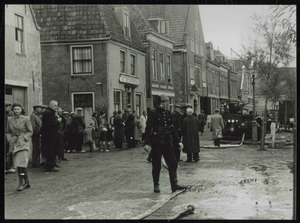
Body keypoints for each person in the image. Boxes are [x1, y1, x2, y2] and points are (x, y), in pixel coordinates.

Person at [144, 94, 187, 193]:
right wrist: (147, 143)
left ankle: (174, 184)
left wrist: (178, 142)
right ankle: (156, 185)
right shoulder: (153, 112)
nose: (165, 104)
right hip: (156, 142)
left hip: (167, 142)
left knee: (173, 163)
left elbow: (172, 129)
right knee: (156, 165)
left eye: (166, 102)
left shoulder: (168, 113)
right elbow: (148, 128)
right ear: (159, 103)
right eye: (163, 102)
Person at [6, 103, 33, 190]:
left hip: (23, 144)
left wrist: (24, 138)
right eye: (15, 109)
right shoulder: (10, 120)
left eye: (18, 109)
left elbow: (30, 131)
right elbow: (7, 131)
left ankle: (21, 183)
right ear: (12, 110)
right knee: (19, 164)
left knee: (22, 164)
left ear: (21, 110)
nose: (17, 111)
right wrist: (10, 139)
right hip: (14, 143)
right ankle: (27, 181)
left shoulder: (26, 119)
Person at [40, 100, 60, 172]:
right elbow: (52, 124)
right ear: (51, 105)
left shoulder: (50, 112)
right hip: (49, 136)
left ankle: (52, 164)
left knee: (52, 150)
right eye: (55, 105)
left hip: (49, 135)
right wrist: (58, 121)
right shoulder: (49, 113)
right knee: (50, 151)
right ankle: (50, 166)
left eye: (56, 105)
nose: (56, 107)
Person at [5, 102, 16, 174]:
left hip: (8, 135)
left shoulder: (9, 115)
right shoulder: (6, 116)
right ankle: (7, 167)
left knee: (8, 151)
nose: (8, 108)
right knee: (7, 151)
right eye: (7, 106)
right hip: (6, 135)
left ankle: (8, 167)